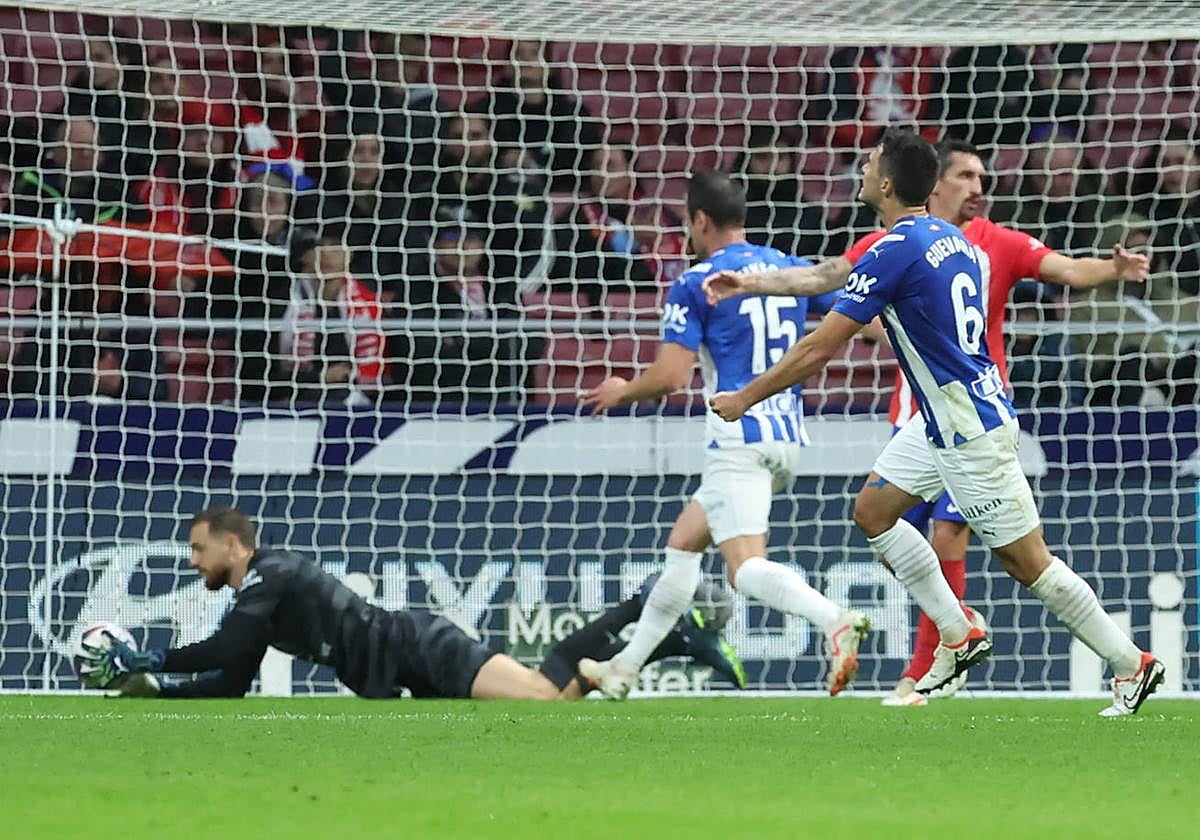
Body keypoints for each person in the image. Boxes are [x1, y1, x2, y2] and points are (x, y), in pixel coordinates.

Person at [707, 128, 1163, 717]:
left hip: (968, 426)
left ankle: (1131, 664)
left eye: (870, 164)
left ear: (889, 183)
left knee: (1028, 563)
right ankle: (957, 632)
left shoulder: (895, 249)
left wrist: (746, 396)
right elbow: (840, 288)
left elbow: (822, 347)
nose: (863, 171)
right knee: (872, 512)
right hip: (940, 416)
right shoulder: (951, 241)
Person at [575, 170, 870, 700]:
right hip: (785, 434)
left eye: (688, 225)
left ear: (701, 220)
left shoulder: (697, 281)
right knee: (684, 545)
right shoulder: (788, 268)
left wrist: (622, 390)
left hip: (738, 433)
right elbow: (862, 320)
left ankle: (834, 619)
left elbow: (670, 377)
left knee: (744, 569)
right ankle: (624, 668)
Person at [77, 506, 744, 699]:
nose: (193, 564)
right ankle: (658, 637)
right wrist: (155, 690)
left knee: (545, 697)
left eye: (199, 551)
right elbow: (230, 679)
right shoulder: (258, 595)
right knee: (559, 701)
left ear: (232, 544)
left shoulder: (269, 575)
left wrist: (146, 654)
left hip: (420, 647)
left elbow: (221, 651)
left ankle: (647, 610)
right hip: (404, 668)